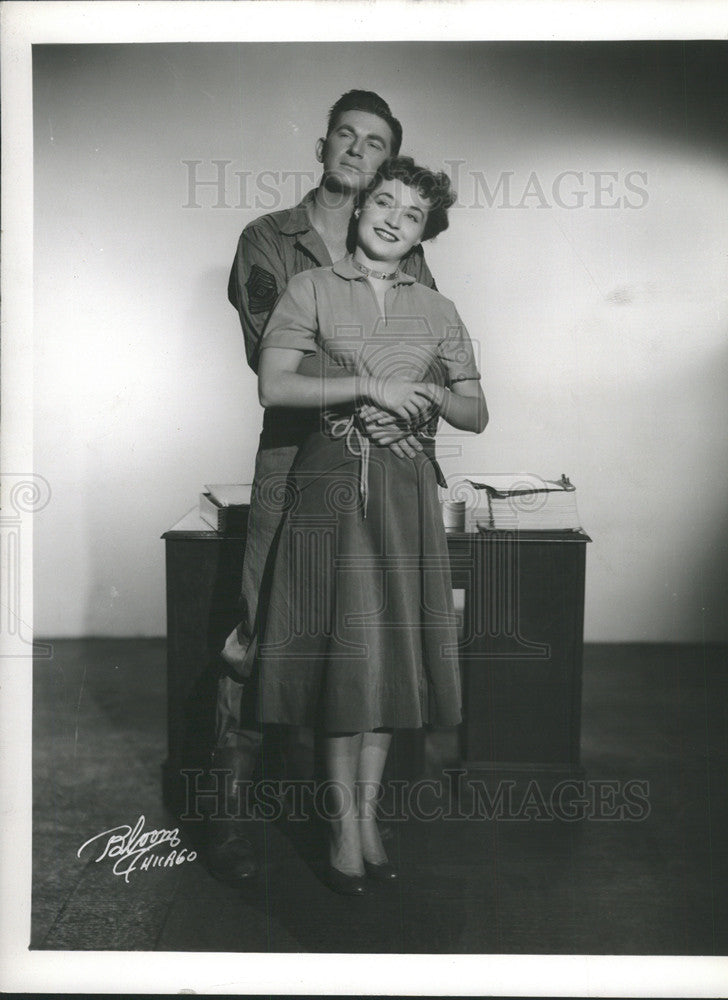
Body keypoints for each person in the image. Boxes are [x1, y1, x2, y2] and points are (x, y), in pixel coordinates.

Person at [210, 91, 436, 882]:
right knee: (259, 627)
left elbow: (431, 354)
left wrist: (407, 420)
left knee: (370, 639)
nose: (356, 149)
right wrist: (373, 386)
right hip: (293, 461)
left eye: (374, 143)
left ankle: (352, 825)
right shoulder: (269, 240)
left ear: (387, 167)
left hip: (384, 463)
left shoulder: (399, 240)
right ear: (322, 145)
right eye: (346, 134)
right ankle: (232, 824)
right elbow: (271, 358)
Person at [256, 156, 488, 894]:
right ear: (358, 209)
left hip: (404, 489)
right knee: (345, 663)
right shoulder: (310, 286)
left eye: (410, 213)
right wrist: (368, 386)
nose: (391, 217)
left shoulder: (438, 308)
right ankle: (340, 828)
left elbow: (475, 412)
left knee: (390, 664)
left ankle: (365, 816)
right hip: (332, 487)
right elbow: (273, 384)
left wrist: (423, 395)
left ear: (425, 231)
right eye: (381, 202)